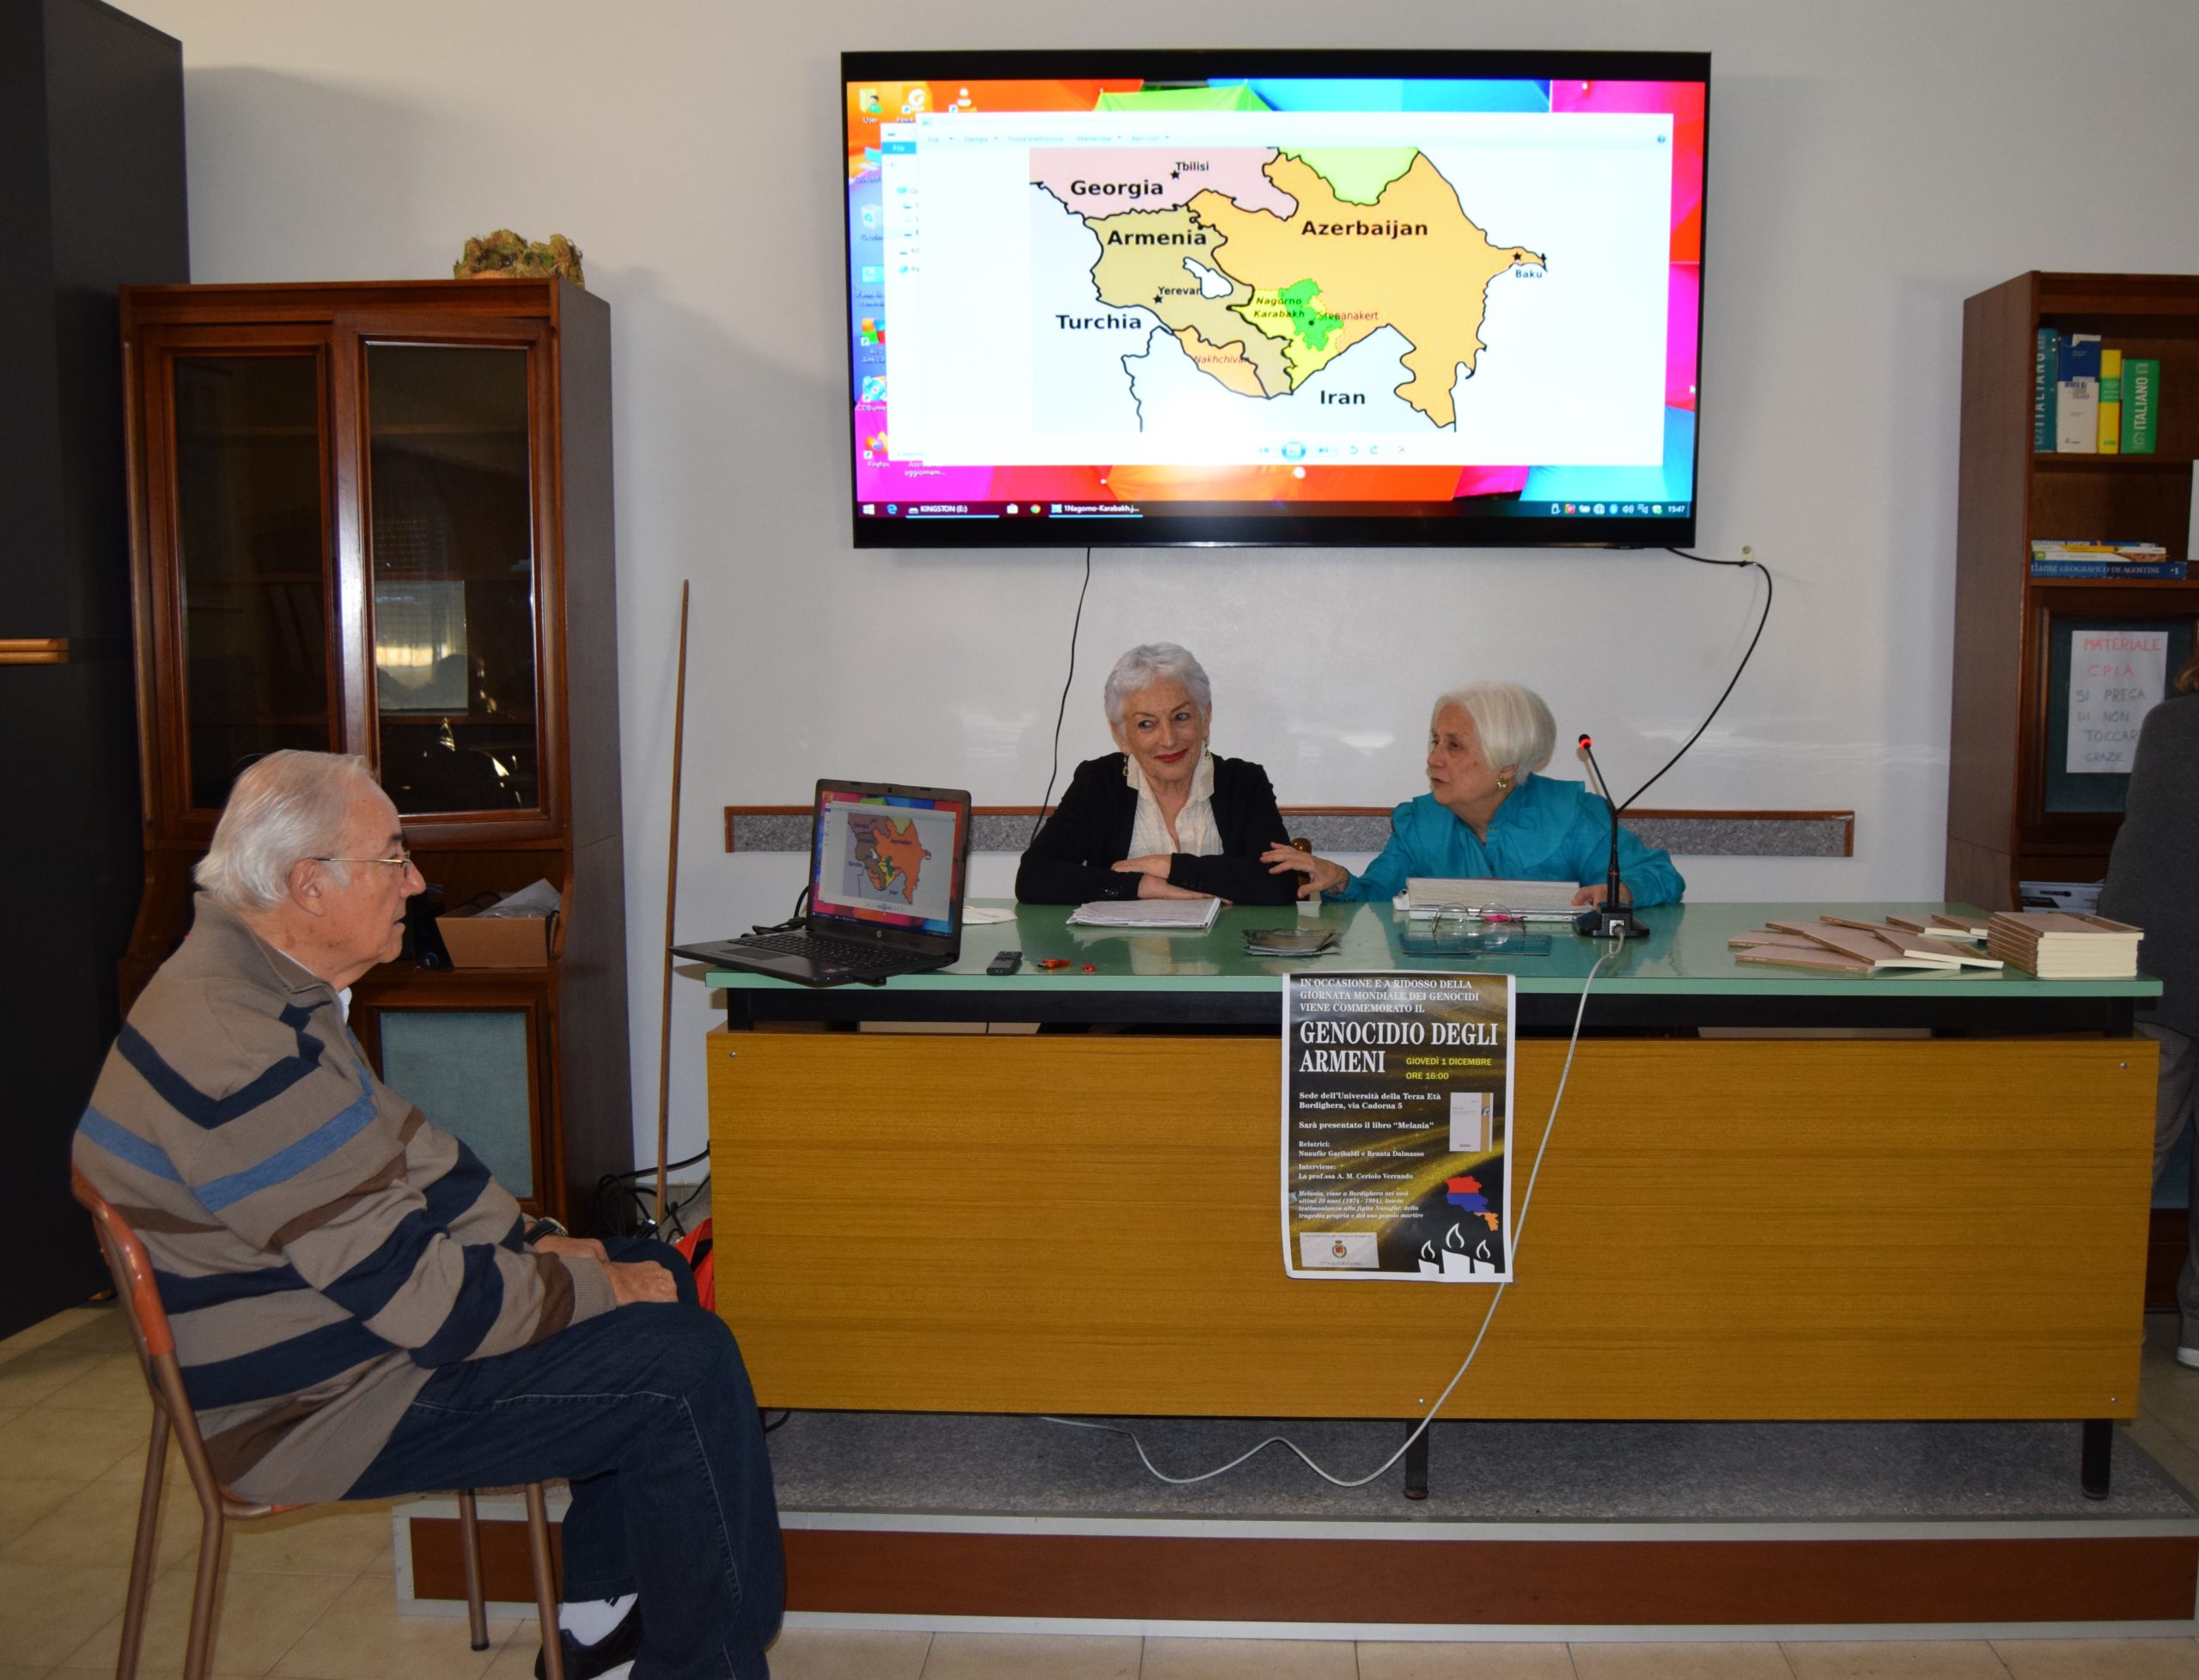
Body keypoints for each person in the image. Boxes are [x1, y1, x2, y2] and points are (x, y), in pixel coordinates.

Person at [73, 751, 781, 1680]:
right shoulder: (242, 1051)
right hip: (319, 1404)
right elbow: (436, 1309)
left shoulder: (260, 985)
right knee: (682, 1367)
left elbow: (415, 1156)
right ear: (309, 885)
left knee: (662, 1273)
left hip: (336, 1334)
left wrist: (539, 1243)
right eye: (392, 859)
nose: (414, 882)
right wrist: (596, 1287)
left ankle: (600, 1629)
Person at [1262, 681, 1684, 907]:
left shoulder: (1573, 816)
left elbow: (1661, 876)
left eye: (1455, 746)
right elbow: (1374, 899)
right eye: (1435, 741)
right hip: (1454, 1006)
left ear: (1506, 764)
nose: (1433, 759)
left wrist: (1623, 892)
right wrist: (1340, 880)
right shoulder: (1419, 823)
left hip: (1563, 999)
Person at [1016, 642, 1299, 905]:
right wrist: (1143, 885)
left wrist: (1170, 866)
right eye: (1146, 724)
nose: (1168, 739)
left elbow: (1280, 883)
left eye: (1181, 717)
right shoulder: (1098, 782)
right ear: (1122, 735)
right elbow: (1034, 877)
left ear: (1205, 718)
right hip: (1121, 944)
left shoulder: (1244, 783)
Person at [2098, 648, 2199, 1366]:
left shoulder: (2167, 723)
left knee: (2129, 1157)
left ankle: (2098, 1323)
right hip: (2168, 963)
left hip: (2155, 969)